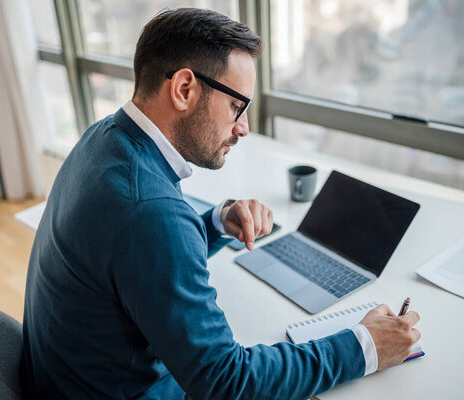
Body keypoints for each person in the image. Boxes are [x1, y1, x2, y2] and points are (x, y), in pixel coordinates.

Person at [21, 8, 421, 400]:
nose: (243, 128)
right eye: (237, 107)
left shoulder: (104, 138)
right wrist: (365, 347)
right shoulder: (150, 211)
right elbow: (227, 383)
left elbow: (133, 250)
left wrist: (214, 223)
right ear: (183, 89)